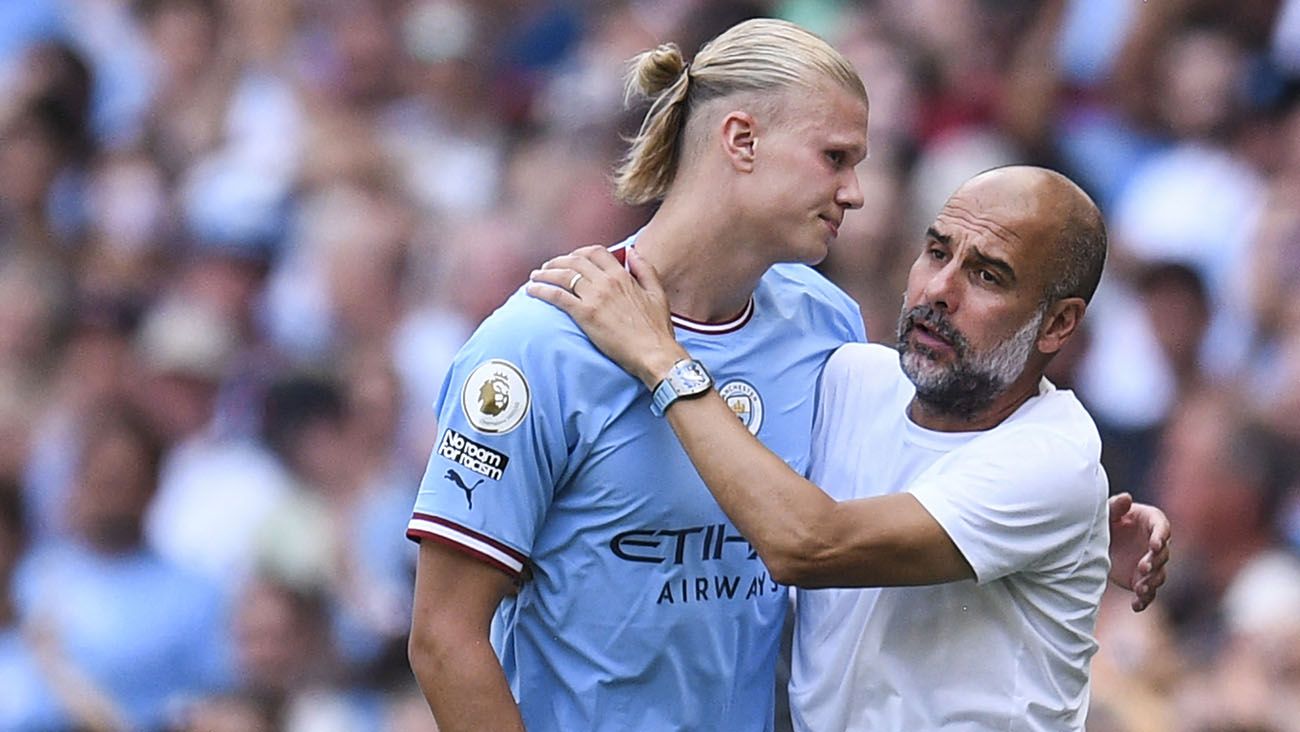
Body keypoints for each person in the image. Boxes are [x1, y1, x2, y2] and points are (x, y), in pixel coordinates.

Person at [407, 19, 1167, 732]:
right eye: (836, 157)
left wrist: (1076, 530)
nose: (856, 193)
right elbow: (444, 640)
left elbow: (844, 517)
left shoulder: (822, 328)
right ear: (741, 140)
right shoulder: (537, 346)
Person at [528, 164, 1168, 730]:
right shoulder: (846, 380)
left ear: (1058, 323)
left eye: (988, 276)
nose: (939, 290)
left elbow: (807, 543)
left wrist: (658, 356)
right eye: (937, 251)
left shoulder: (1056, 458)